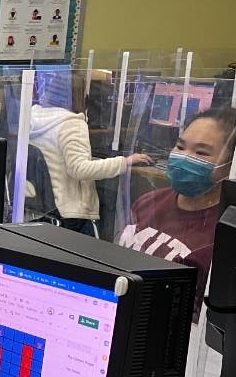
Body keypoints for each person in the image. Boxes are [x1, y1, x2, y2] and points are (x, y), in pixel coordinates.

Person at [117, 106, 236, 317]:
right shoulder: (148, 202)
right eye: (180, 146)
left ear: (230, 165)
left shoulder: (222, 234)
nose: (183, 158)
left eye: (201, 153)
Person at [28, 73, 151, 236]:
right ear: (79, 94)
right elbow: (80, 169)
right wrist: (125, 161)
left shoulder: (32, 117)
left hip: (41, 208)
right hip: (69, 215)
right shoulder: (71, 124)